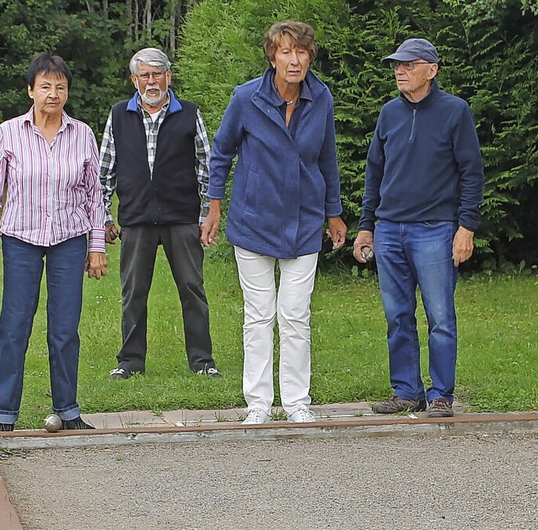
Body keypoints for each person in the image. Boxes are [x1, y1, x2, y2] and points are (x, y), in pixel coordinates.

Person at [201, 20, 347, 424]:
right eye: (286, 52)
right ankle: (259, 404)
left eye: (301, 52)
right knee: (259, 314)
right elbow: (221, 153)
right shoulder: (246, 98)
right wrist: (213, 208)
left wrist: (334, 213)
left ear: (309, 56)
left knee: (296, 316)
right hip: (253, 223)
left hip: (304, 223)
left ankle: (298, 402)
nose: (294, 60)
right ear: (272, 56)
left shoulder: (322, 98)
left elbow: (327, 159)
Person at [0, 52, 107, 432]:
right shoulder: (9, 132)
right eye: (45, 86)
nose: (53, 94)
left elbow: (94, 195)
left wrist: (96, 246)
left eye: (60, 87)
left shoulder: (82, 134)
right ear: (31, 90)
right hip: (20, 238)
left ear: (67, 92)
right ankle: (4, 415)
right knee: (14, 326)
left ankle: (68, 410)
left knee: (65, 328)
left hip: (69, 238)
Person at [353, 38, 483, 418]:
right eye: (397, 65)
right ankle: (407, 391)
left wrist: (466, 227)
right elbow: (374, 173)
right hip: (390, 229)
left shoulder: (455, 112)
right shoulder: (389, 114)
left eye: (409, 64)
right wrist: (367, 227)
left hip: (436, 230)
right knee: (397, 315)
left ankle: (441, 394)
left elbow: (471, 173)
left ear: (432, 70)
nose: (400, 70)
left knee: (440, 316)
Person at [100, 48, 220, 381]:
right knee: (133, 293)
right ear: (134, 80)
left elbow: (206, 167)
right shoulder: (119, 114)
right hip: (136, 218)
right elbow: (105, 171)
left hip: (182, 217)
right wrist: (104, 217)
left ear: (169, 76)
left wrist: (209, 212)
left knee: (192, 289)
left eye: (157, 74)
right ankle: (130, 361)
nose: (151, 81)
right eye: (144, 75)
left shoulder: (189, 113)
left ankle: (202, 361)